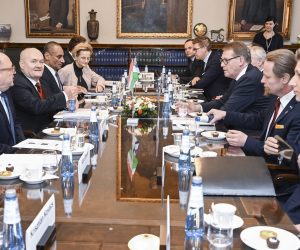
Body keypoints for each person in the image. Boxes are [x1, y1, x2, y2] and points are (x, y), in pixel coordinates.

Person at [207, 49, 300, 171]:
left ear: (284, 79)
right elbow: (257, 119)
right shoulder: (276, 99)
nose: (262, 81)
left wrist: (246, 142)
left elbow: (288, 157)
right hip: (259, 162)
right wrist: (225, 114)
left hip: (272, 175)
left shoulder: (296, 111)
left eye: (267, 77)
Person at [185, 41, 270, 114]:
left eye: (226, 60)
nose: (222, 65)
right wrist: (197, 108)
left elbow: (227, 111)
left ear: (240, 60)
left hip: (246, 131)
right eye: (221, 61)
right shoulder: (239, 76)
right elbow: (222, 102)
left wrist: (201, 117)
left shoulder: (250, 78)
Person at [10, 48, 77, 133]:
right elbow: (36, 106)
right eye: (33, 61)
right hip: (31, 136)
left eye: (41, 62)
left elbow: (50, 104)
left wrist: (68, 104)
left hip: (50, 130)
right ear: (22, 64)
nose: (39, 65)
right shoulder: (17, 83)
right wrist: (65, 95)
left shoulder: (42, 81)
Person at [190, 36, 231, 101]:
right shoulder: (201, 60)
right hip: (207, 97)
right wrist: (197, 77)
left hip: (218, 99)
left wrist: (189, 84)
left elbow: (201, 83)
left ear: (204, 48)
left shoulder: (216, 60)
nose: (194, 52)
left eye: (195, 49)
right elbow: (196, 75)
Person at [0, 52, 25, 154]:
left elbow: (14, 122)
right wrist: (15, 152)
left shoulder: (6, 92)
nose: (14, 72)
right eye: (11, 69)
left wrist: (24, 146)